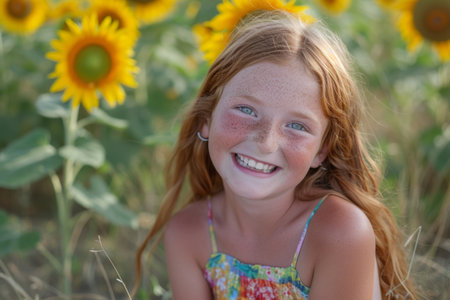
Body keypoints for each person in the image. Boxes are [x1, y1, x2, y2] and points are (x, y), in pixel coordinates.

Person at [135, 10, 417, 300]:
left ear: (322, 150)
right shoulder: (188, 233)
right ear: (206, 117)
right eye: (246, 110)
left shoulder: (339, 233)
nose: (266, 142)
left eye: (297, 126)